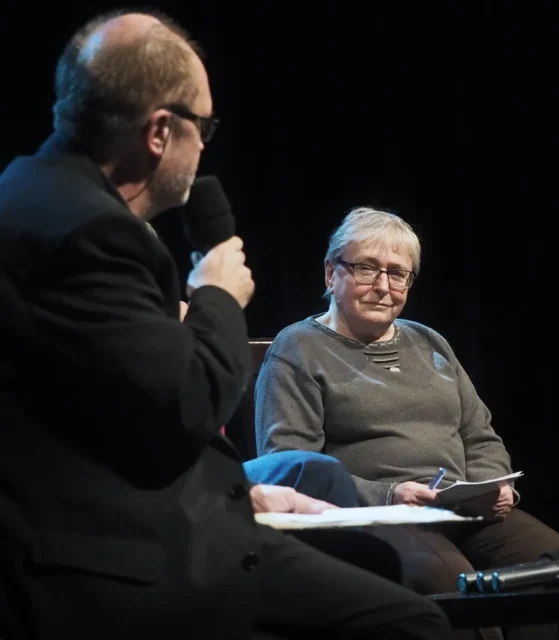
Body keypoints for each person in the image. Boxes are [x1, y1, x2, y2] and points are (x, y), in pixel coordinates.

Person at [0, 11, 451, 639]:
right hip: (113, 555)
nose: (205, 146)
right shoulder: (92, 231)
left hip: (131, 513)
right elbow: (185, 407)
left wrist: (244, 494)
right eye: (203, 126)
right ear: (160, 131)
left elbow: (111, 420)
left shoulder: (32, 194)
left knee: (376, 568)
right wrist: (216, 292)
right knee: (408, 622)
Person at [254, 207, 559, 640]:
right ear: (331, 273)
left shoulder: (428, 341)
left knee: (558, 563)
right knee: (452, 581)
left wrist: (492, 487)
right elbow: (290, 467)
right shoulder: (298, 349)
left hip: (459, 511)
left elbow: (479, 433)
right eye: (366, 269)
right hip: (373, 517)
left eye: (397, 274)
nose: (383, 287)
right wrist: (389, 494)